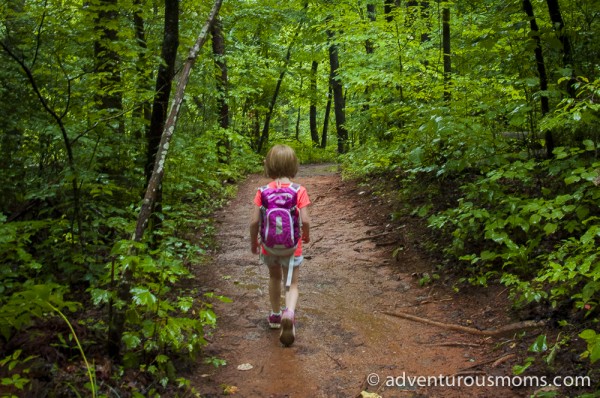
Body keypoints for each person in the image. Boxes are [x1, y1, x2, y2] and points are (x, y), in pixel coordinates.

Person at [249, 144, 311, 347]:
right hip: (293, 247)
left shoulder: (262, 192)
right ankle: (289, 312)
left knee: (274, 277)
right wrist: (306, 235)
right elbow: (306, 220)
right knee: (291, 283)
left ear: (270, 165)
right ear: (294, 165)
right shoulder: (299, 190)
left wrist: (254, 243)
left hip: (269, 246)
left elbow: (254, 222)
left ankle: (276, 315)